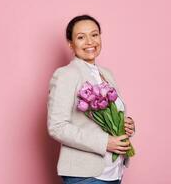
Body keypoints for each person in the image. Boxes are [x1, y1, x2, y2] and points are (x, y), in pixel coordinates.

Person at [47, 14, 135, 184]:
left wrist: (126, 123)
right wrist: (105, 143)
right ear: (71, 44)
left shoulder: (106, 74)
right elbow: (57, 127)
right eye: (81, 37)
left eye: (94, 35)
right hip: (86, 176)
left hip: (114, 172)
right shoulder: (66, 75)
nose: (89, 42)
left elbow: (110, 116)